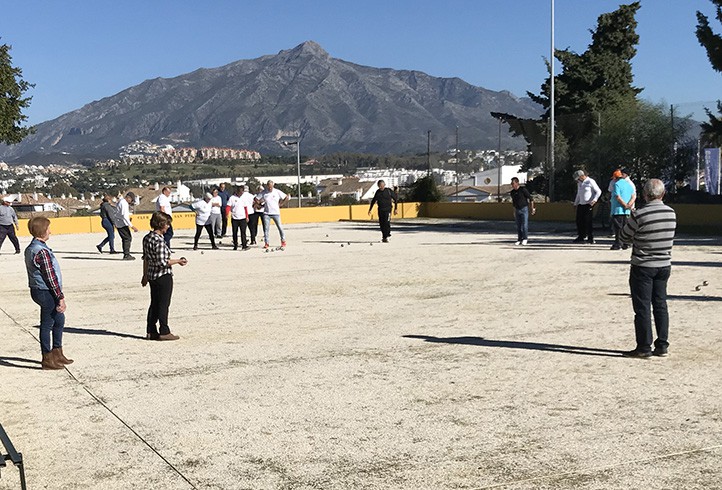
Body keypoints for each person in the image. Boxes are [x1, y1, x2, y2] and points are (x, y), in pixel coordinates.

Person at [619, 179, 676, 358]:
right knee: (660, 304)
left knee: (642, 307)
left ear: (645, 195)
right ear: (663, 194)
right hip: (664, 264)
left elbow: (624, 236)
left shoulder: (639, 214)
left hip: (643, 265)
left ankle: (644, 347)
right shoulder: (671, 213)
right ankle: (662, 345)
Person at [24, 216, 72, 370]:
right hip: (45, 291)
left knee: (59, 319)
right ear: (43, 231)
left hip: (39, 289)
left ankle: (57, 352)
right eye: (48, 229)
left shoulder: (32, 248)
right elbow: (50, 278)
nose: (50, 231)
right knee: (47, 324)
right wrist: (60, 297)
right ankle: (47, 357)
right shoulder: (41, 252)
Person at [141, 212, 187, 341]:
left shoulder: (147, 238)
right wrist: (178, 261)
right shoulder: (159, 241)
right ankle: (164, 330)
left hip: (151, 275)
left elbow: (146, 258)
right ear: (161, 225)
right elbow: (163, 262)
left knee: (154, 303)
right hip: (163, 276)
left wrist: (145, 275)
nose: (168, 226)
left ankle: (151, 330)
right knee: (163, 304)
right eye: (167, 224)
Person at [572, 170, 602, 244]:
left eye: (578, 178)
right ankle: (581, 236)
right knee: (579, 220)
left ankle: (590, 237)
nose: (578, 180)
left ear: (582, 176)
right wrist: (575, 203)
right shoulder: (579, 183)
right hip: (581, 204)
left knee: (588, 221)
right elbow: (578, 194)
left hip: (588, 204)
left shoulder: (590, 181)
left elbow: (598, 191)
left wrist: (594, 200)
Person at [610, 170, 635, 251]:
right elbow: (633, 196)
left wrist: (624, 205)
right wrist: (629, 205)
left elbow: (617, 196)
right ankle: (626, 243)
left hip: (617, 209)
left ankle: (618, 244)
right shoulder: (628, 184)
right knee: (625, 227)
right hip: (627, 210)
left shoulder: (616, 184)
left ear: (615, 178)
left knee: (618, 228)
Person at [260, 180, 289, 248]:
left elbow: (286, 197)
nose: (270, 188)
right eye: (269, 187)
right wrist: (259, 205)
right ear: (267, 186)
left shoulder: (277, 192)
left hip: (276, 213)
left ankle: (283, 240)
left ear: (273, 186)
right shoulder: (264, 192)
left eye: (271, 187)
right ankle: (266, 243)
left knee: (280, 227)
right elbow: (257, 198)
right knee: (266, 229)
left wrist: (281, 204)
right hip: (266, 213)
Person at [510, 177, 535, 245]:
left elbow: (531, 199)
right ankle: (519, 239)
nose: (512, 185)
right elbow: (514, 203)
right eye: (511, 183)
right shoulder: (512, 192)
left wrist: (532, 208)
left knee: (524, 225)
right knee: (518, 226)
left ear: (517, 183)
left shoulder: (523, 190)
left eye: (513, 183)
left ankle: (525, 238)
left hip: (524, 209)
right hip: (517, 209)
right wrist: (514, 211)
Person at [114, 192, 138, 260]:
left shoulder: (120, 201)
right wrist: (132, 226)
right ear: (128, 198)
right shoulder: (124, 203)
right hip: (122, 223)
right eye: (131, 200)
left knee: (125, 238)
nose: (131, 202)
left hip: (119, 222)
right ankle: (126, 254)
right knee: (127, 238)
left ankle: (126, 253)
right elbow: (124, 216)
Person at [226, 186, 252, 251]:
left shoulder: (243, 198)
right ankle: (235, 245)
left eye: (242, 192)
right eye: (240, 192)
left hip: (242, 218)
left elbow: (245, 208)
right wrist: (227, 214)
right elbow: (228, 206)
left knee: (243, 232)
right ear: (237, 191)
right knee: (234, 232)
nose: (241, 193)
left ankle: (244, 245)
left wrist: (247, 216)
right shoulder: (232, 198)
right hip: (235, 218)